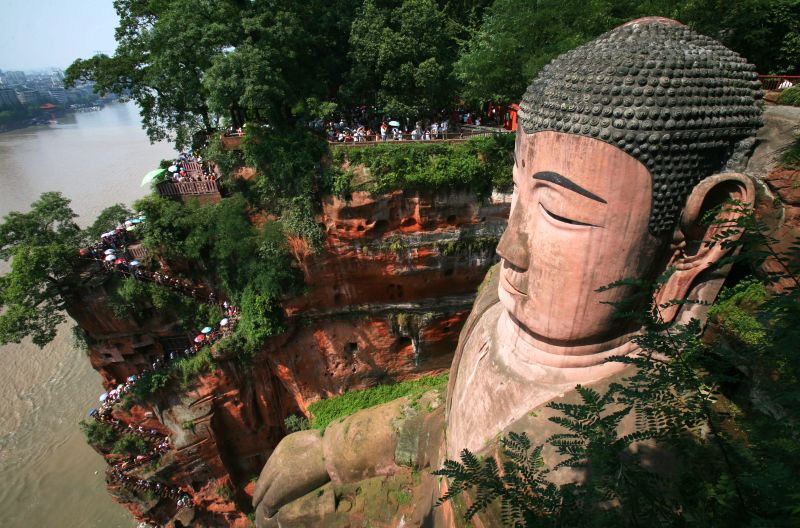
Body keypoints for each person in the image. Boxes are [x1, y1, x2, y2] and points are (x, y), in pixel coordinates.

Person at [251, 17, 764, 528]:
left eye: (559, 211)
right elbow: (447, 424)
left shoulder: (629, 459)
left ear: (700, 240)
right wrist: (333, 451)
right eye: (517, 193)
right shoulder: (496, 304)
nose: (507, 247)